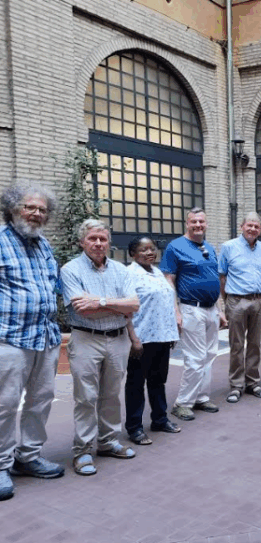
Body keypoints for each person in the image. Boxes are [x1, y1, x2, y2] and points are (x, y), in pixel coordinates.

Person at [0, 185, 64, 500]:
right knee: (5, 404)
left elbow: (52, 284)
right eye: (30, 207)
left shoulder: (44, 245)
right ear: (13, 209)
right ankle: (1, 465)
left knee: (41, 399)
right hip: (9, 338)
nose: (36, 214)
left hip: (45, 336)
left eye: (42, 210)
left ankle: (28, 456)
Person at [61, 220, 140, 476]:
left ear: (109, 242)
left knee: (111, 394)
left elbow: (134, 305)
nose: (98, 243)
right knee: (86, 397)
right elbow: (83, 311)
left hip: (118, 339)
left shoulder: (121, 270)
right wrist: (118, 306)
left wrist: (99, 301)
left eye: (102, 239)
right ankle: (82, 450)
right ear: (82, 242)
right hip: (87, 338)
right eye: (92, 238)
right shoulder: (71, 270)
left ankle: (107, 442)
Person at [161, 207, 224, 422]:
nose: (198, 225)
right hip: (191, 308)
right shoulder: (175, 247)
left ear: (206, 224)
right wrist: (175, 311)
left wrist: (219, 310)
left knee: (209, 355)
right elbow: (168, 280)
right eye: (194, 222)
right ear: (187, 224)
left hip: (210, 309)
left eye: (201, 222)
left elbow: (213, 279)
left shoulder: (209, 247)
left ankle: (201, 397)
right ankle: (183, 403)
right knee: (195, 358)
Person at [124, 237, 182, 446]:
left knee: (158, 381)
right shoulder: (129, 274)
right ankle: (134, 427)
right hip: (142, 338)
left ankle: (160, 419)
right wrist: (133, 338)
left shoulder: (157, 272)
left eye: (152, 248)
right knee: (136, 384)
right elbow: (126, 309)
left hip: (161, 337)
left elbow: (166, 303)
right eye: (143, 249)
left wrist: (171, 333)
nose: (149, 252)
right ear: (133, 254)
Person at [219, 212, 261, 404]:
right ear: (242, 226)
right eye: (249, 225)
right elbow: (222, 276)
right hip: (236, 300)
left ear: (260, 229)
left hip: (258, 300)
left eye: (256, 226)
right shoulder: (228, 247)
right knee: (237, 345)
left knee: (255, 344)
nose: (252, 229)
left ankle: (252, 382)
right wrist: (227, 301)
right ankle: (236, 385)